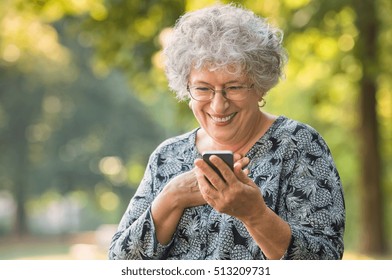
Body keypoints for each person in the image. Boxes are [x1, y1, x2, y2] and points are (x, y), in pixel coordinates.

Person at [108, 3, 345, 260]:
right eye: (202, 88)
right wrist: (172, 197)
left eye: (234, 87)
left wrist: (255, 214)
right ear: (186, 88)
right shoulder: (168, 157)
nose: (218, 104)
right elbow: (119, 264)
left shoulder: (298, 144)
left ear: (260, 86)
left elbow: (325, 262)